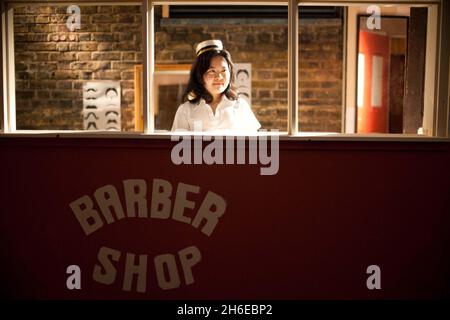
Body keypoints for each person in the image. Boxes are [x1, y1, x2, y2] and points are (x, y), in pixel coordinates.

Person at [171, 40, 261, 132]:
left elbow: (252, 144)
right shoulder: (185, 111)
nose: (219, 77)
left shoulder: (241, 107)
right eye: (212, 71)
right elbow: (177, 145)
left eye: (223, 71)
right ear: (199, 75)